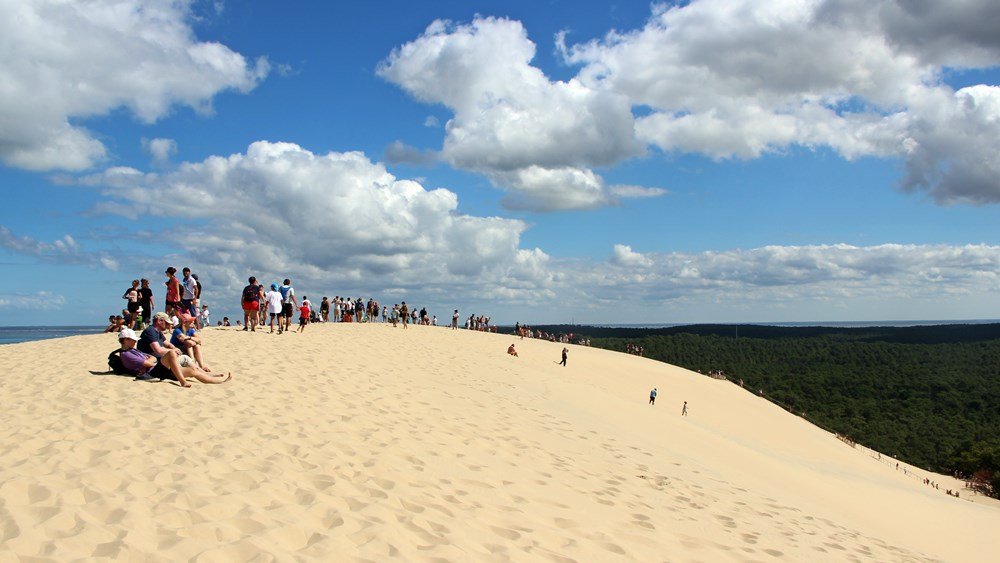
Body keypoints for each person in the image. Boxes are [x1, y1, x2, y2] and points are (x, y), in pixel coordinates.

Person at [118, 328, 230, 386]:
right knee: (171, 353)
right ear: (125, 340)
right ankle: (182, 382)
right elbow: (150, 362)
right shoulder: (126, 354)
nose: (135, 342)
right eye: (132, 340)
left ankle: (219, 381)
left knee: (193, 371)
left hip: (158, 369)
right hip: (153, 372)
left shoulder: (132, 350)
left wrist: (151, 359)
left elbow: (152, 358)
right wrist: (150, 359)